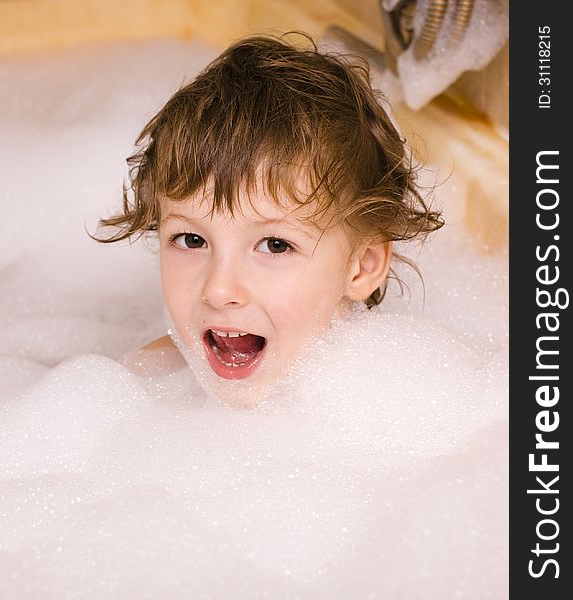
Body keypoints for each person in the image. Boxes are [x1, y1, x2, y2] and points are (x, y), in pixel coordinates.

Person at [95, 33, 443, 401]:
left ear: (361, 267)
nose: (218, 290)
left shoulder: (398, 405)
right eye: (191, 240)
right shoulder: (149, 381)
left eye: (275, 245)